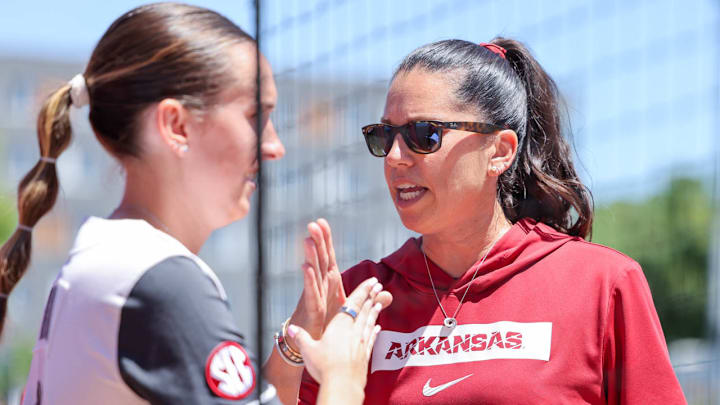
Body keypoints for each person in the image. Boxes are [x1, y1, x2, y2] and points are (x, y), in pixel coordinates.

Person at [0, 3, 389, 405]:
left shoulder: (111, 258)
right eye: (256, 115)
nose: (275, 146)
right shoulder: (159, 281)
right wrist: (343, 374)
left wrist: (294, 347)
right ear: (177, 126)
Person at [298, 39, 688, 404]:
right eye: (385, 135)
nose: (395, 156)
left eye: (424, 134)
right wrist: (294, 338)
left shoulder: (602, 282)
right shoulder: (357, 297)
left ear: (500, 152)